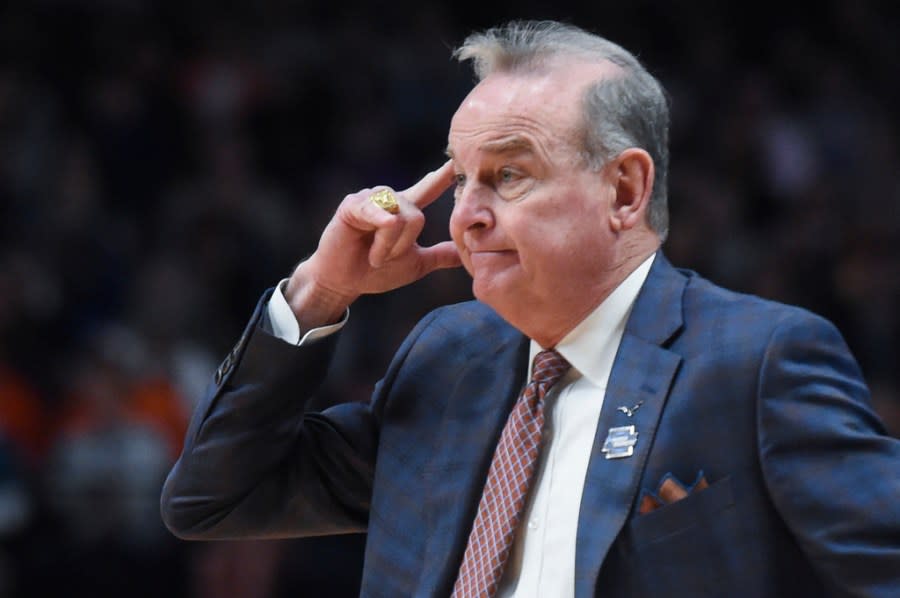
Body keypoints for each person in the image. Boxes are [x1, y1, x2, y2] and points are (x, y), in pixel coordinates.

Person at [161, 20, 900, 597]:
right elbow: (212, 498)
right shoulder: (446, 357)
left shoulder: (759, 361)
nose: (466, 216)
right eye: (462, 181)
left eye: (509, 174)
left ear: (624, 192)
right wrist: (319, 294)